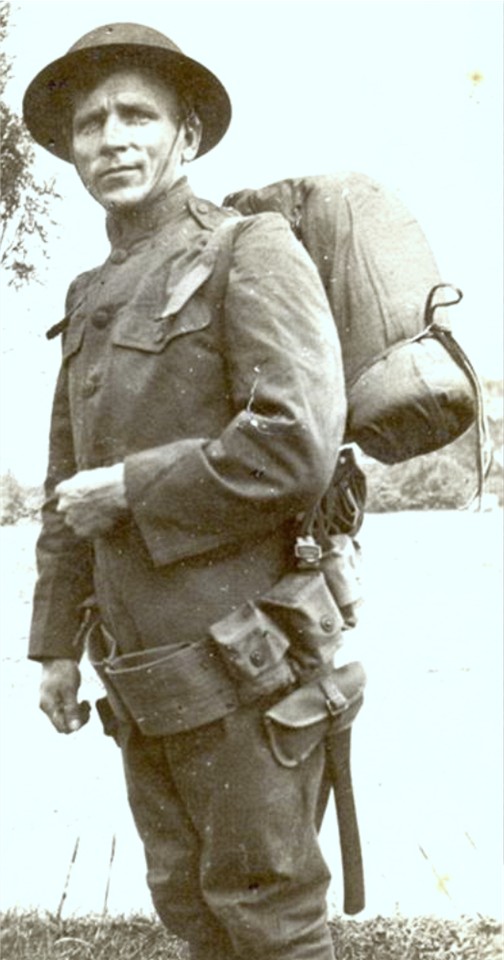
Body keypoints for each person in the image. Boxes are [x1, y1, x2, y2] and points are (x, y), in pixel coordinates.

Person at [24, 23, 349, 960]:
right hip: (140, 677)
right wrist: (55, 649)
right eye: (90, 124)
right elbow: (64, 490)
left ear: (188, 136)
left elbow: (296, 441)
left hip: (244, 665)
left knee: (269, 914)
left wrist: (133, 488)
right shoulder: (89, 293)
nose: (112, 139)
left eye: (138, 115)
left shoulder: (249, 248)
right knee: (189, 907)